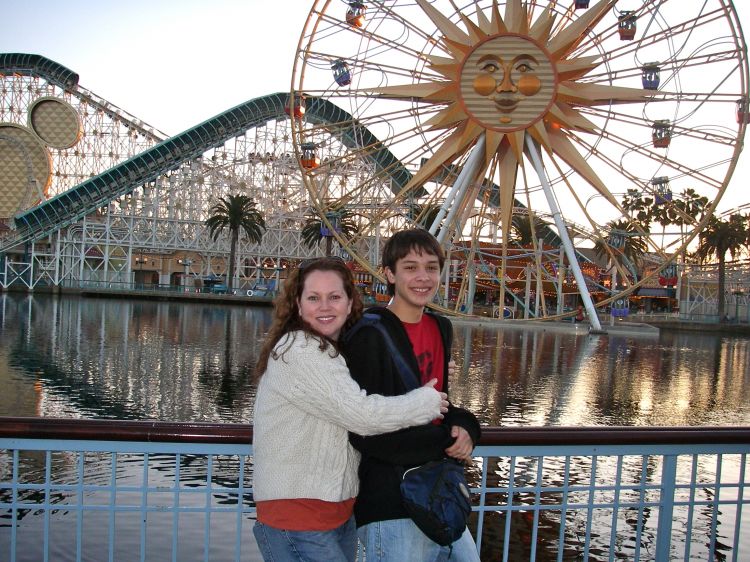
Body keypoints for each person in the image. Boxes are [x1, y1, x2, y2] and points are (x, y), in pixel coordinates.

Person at [251, 256, 449, 562]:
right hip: (298, 519)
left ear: (348, 303)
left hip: (333, 514)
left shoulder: (331, 351)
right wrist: (427, 401)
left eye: (334, 297)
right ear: (298, 305)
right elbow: (363, 415)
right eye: (314, 298)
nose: (325, 307)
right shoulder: (300, 349)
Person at [342, 229, 482, 562]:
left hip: (436, 494)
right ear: (389, 274)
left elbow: (438, 405)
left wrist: (466, 428)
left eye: (431, 267)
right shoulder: (368, 334)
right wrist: (444, 442)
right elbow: (365, 428)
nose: (423, 277)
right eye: (410, 267)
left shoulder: (440, 328)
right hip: (390, 502)